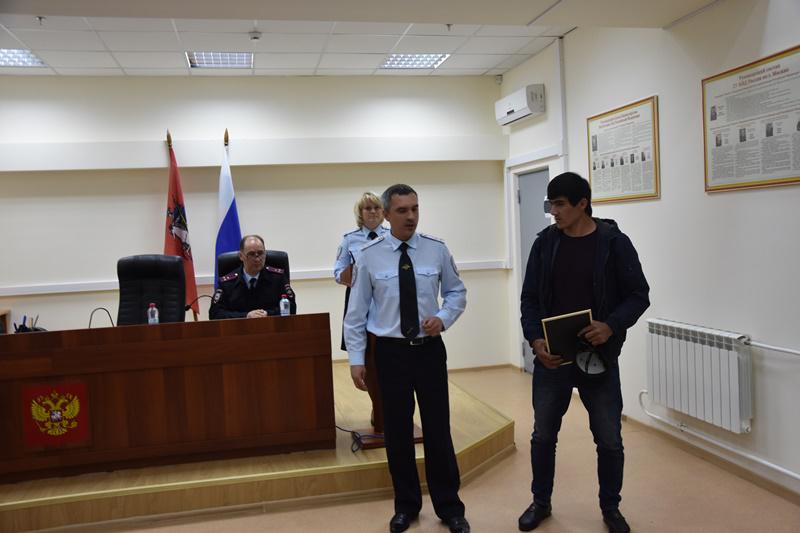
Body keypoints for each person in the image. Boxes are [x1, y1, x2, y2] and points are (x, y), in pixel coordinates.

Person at [518, 172, 650, 533]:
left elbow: (638, 295)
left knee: (609, 438)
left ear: (582, 204)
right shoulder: (545, 244)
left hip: (599, 357)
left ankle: (611, 508)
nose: (554, 212)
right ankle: (540, 503)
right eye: (550, 204)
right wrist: (535, 340)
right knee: (543, 436)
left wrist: (611, 325)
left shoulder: (613, 243)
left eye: (560, 205)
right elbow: (529, 298)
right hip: (552, 359)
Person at [344, 184, 470, 533]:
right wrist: (356, 359)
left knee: (438, 429)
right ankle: (406, 505)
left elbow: (457, 292)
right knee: (397, 432)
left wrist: (443, 318)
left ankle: (450, 506)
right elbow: (356, 313)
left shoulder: (436, 249)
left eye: (415, 208)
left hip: (429, 351)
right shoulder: (369, 255)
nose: (411, 216)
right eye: (402, 210)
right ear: (386, 214)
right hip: (390, 353)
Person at [334, 192, 389, 349]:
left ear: (383, 211)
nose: (373, 211)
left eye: (376, 207)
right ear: (360, 213)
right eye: (368, 208)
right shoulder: (349, 239)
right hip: (357, 296)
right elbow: (338, 274)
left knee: (386, 343)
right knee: (358, 342)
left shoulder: (391, 237)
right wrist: (356, 271)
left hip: (386, 295)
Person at [209, 234, 296, 319]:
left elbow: (291, 308)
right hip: (239, 328)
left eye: (260, 253)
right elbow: (215, 313)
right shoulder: (227, 283)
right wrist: (245, 316)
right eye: (251, 254)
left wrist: (268, 314)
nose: (257, 259)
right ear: (241, 256)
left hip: (272, 326)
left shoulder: (278, 278)